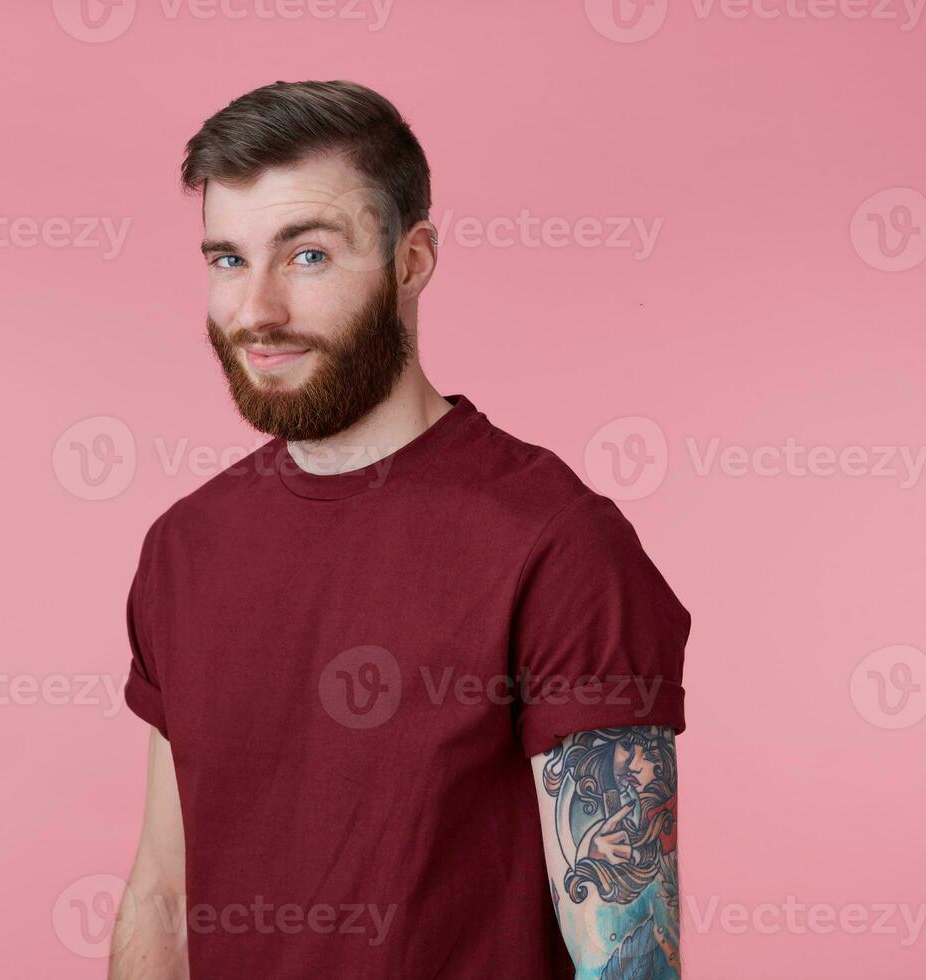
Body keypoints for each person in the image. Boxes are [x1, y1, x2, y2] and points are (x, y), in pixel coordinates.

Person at [108, 79, 689, 980]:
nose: (256, 308)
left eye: (306, 257)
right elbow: (161, 895)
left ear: (410, 261)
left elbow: (628, 959)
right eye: (227, 259)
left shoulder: (557, 545)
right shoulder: (185, 547)